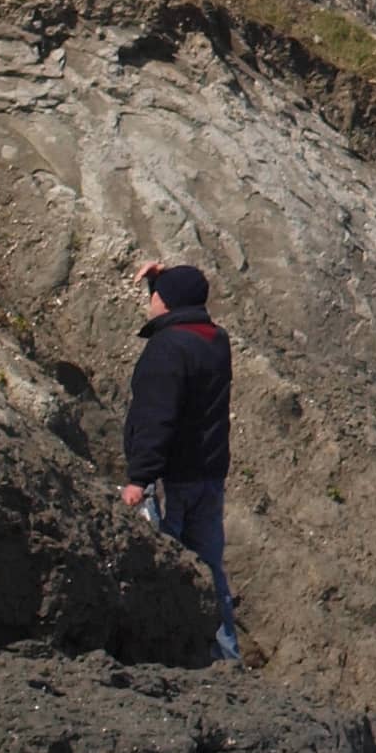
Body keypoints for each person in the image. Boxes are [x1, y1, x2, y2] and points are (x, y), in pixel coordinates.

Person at [121, 259, 238, 665]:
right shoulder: (214, 340)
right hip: (209, 475)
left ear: (165, 303)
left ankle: (170, 660)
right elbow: (176, 310)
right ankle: (225, 659)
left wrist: (139, 479)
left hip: (172, 479)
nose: (150, 302)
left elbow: (157, 419)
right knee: (211, 571)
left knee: (168, 570)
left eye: (154, 297)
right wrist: (159, 281)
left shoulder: (167, 350)